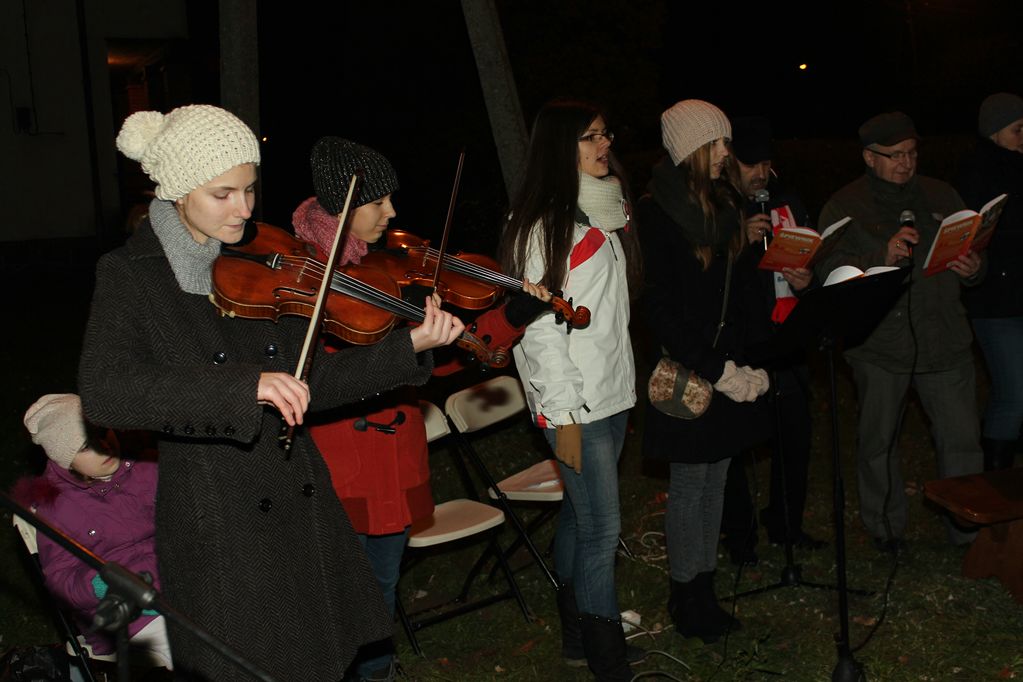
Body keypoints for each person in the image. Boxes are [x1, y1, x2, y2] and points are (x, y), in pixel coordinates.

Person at [78, 104, 465, 681]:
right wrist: (243, 388)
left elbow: (312, 382)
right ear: (178, 190)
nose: (244, 209)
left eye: (250, 189)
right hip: (217, 522)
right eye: (223, 194)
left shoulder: (255, 262)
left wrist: (406, 347)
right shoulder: (131, 273)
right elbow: (107, 391)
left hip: (297, 500)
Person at [291, 136, 550, 682]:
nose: (392, 213)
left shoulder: (391, 270)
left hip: (396, 461)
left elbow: (443, 361)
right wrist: (400, 346)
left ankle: (378, 674)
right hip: (339, 469)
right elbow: (316, 376)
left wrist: (509, 318)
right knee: (335, 599)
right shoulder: (300, 277)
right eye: (378, 201)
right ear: (340, 205)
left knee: (382, 588)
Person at [498, 99, 641, 681]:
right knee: (602, 528)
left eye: (605, 134)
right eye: (589, 138)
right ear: (560, 148)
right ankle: (608, 661)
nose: (603, 146)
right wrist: (563, 414)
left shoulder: (602, 214)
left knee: (582, 520)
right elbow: (536, 332)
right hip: (575, 406)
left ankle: (579, 637)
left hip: (611, 393)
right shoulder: (543, 228)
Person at [815, 111, 985, 552]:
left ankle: (967, 528)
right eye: (894, 155)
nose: (906, 163)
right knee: (879, 442)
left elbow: (970, 249)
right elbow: (827, 271)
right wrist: (880, 255)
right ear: (869, 157)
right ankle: (886, 528)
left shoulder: (941, 194)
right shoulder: (845, 206)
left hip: (944, 337)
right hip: (879, 345)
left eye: (911, 153)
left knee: (962, 439)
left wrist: (973, 269)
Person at [636, 99, 771, 644]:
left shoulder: (725, 202)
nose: (725, 153)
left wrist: (752, 361)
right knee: (691, 484)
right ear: (688, 148)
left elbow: (740, 289)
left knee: (717, 479)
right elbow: (659, 307)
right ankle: (685, 594)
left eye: (726, 142)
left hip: (727, 364)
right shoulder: (656, 211)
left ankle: (706, 587)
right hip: (688, 370)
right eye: (715, 143)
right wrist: (716, 368)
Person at [720, 115, 825, 566]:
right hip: (741, 342)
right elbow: (707, 280)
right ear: (729, 161)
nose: (760, 174)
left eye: (766, 163)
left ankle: (786, 524)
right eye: (750, 165)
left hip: (787, 336)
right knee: (736, 442)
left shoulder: (787, 201)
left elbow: (810, 253)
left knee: (795, 435)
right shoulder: (718, 206)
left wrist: (807, 281)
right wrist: (738, 244)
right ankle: (740, 538)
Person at [16, 393, 172, 670]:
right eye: (88, 446)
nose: (105, 446)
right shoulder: (56, 507)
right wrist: (100, 584)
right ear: (66, 460)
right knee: (194, 651)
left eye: (103, 432)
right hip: (126, 613)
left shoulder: (148, 466)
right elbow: (60, 579)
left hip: (180, 583)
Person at [954, 93, 1023, 470]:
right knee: (1014, 394)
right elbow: (975, 237)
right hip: (995, 301)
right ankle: (994, 484)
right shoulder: (977, 173)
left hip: (1016, 293)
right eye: (1018, 129)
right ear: (994, 131)